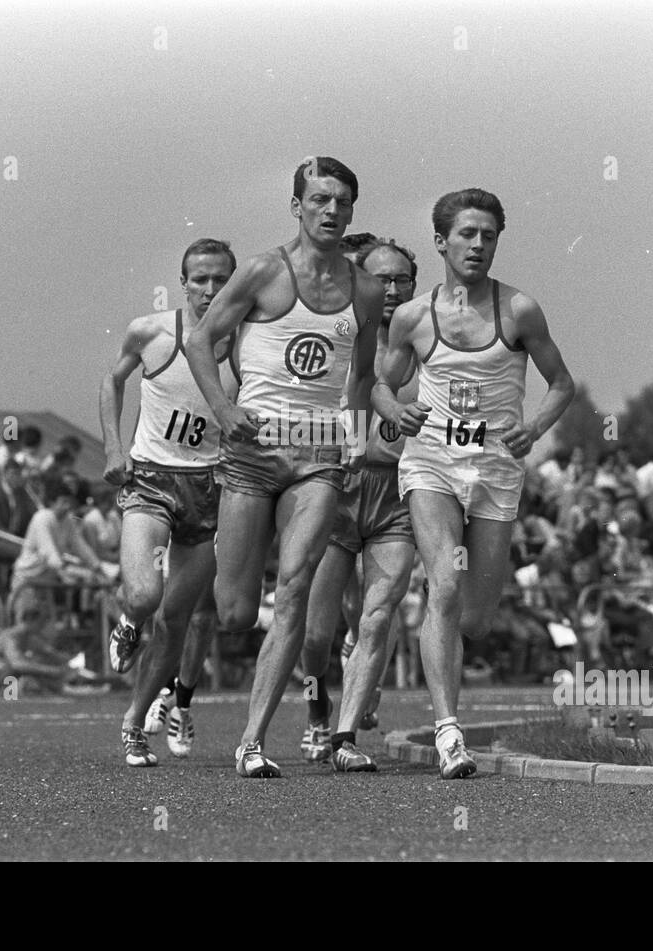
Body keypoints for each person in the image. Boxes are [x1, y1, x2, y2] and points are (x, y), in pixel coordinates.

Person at [184, 156, 383, 778]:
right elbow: (199, 340)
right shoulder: (264, 271)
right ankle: (180, 657)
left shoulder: (366, 289)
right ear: (297, 206)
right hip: (251, 452)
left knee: (294, 585)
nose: (331, 211)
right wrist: (222, 408)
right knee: (236, 610)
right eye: (320, 199)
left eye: (342, 202)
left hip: (319, 455)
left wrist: (353, 440)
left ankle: (252, 741)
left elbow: (364, 376)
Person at [373, 187, 574, 778]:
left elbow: (562, 383)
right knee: (444, 581)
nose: (478, 245)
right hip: (431, 463)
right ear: (442, 241)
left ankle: (442, 635)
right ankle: (448, 731)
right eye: (467, 234)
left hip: (494, 470)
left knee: (476, 617)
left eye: (488, 235)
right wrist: (394, 412)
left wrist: (533, 427)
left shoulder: (519, 311)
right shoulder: (413, 317)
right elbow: (382, 385)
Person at [100, 238, 239, 766]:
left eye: (220, 279)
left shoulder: (245, 343)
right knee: (143, 594)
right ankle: (129, 620)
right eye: (199, 279)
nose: (209, 289)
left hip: (208, 487)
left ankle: (135, 722)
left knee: (177, 621)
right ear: (183, 282)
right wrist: (114, 447)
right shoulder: (152, 331)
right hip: (151, 479)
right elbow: (112, 381)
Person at [299, 237, 421, 771]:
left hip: (394, 488)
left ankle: (352, 711)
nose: (392, 290)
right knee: (315, 630)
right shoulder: (338, 335)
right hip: (336, 484)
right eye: (381, 279)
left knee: (376, 611)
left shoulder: (429, 340)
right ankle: (314, 709)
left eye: (402, 280)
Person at [9, 485, 102, 627]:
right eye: (63, 502)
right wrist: (72, 572)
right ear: (52, 502)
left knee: (45, 631)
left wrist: (97, 566)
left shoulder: (68, 521)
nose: (67, 506)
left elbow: (80, 546)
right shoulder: (41, 518)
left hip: (46, 582)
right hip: (26, 581)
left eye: (69, 502)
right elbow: (49, 553)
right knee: (23, 628)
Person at [0, 459, 37, 591]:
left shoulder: (22, 493)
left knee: (32, 549)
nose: (16, 477)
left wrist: (30, 491)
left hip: (14, 538)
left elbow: (34, 514)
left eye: (18, 474)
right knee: (26, 551)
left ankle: (20, 586)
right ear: (5, 474)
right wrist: (15, 539)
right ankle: (16, 587)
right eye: (13, 473)